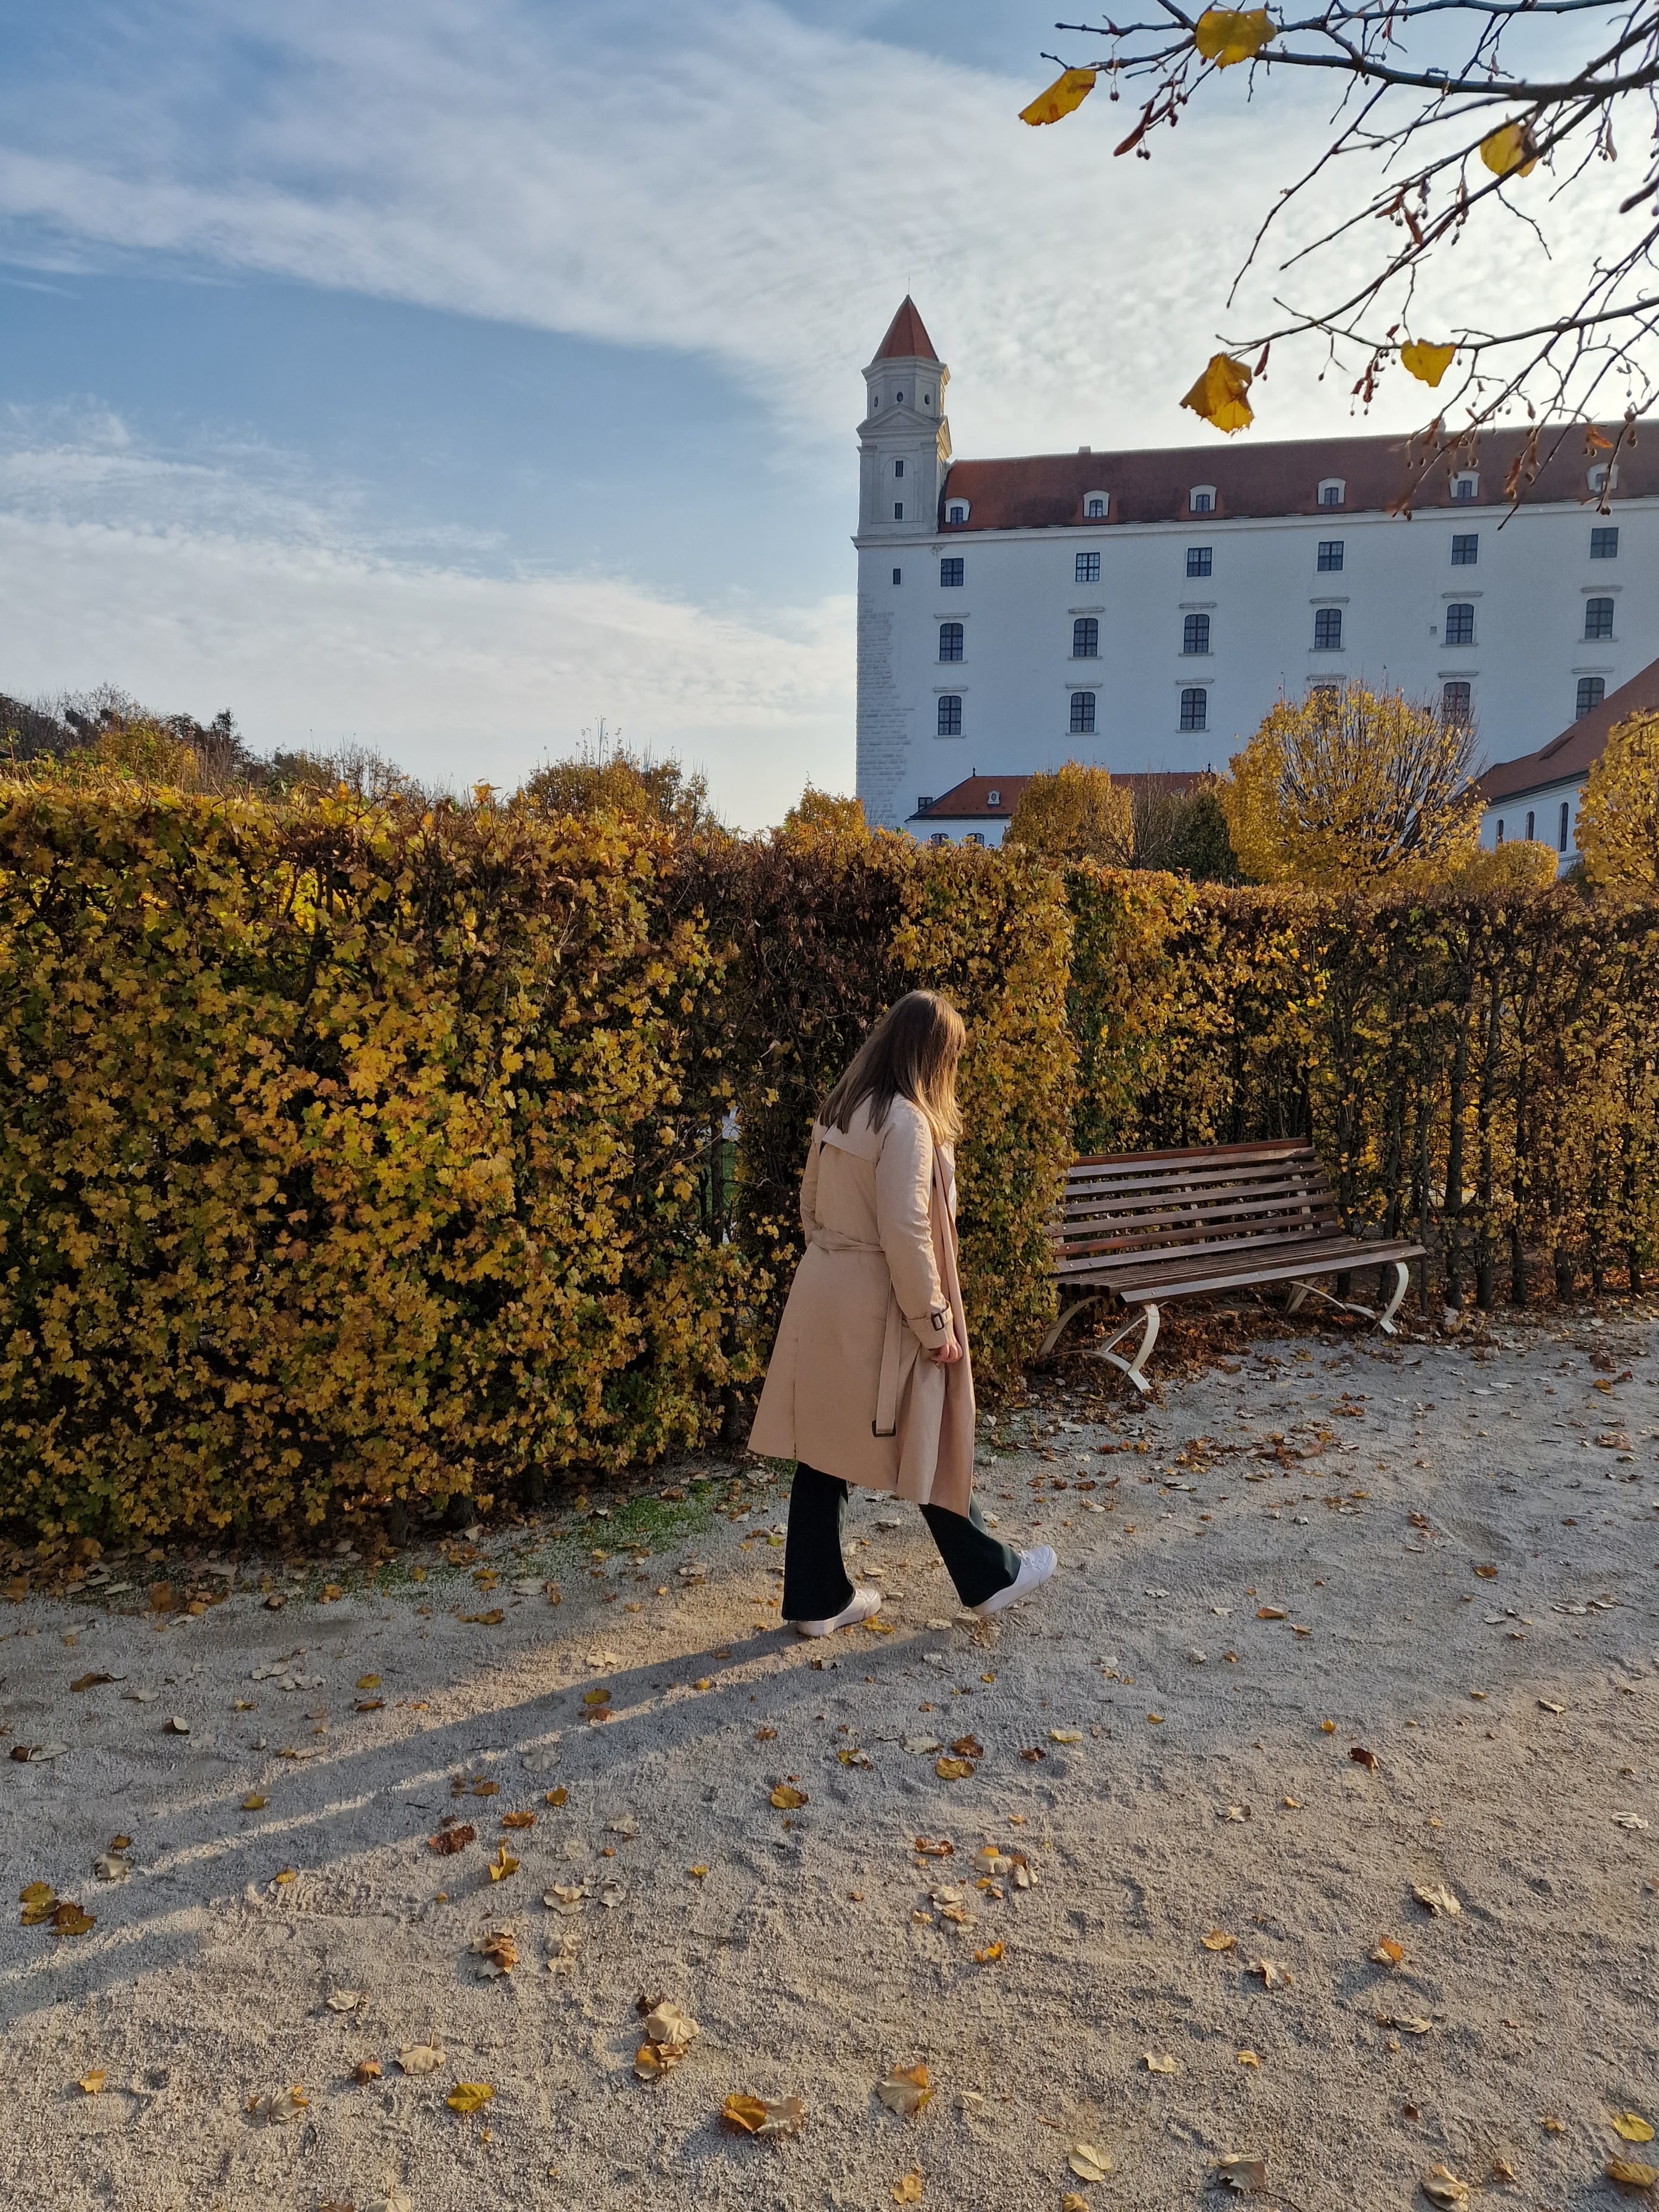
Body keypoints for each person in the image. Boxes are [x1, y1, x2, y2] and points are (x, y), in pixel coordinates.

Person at [748, 989, 1057, 1635]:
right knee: (928, 1436)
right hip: (882, 1305)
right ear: (935, 1056)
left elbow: (809, 1204)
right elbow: (906, 1229)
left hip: (823, 1290)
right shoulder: (908, 1121)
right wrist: (934, 1322)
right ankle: (990, 1576)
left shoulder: (841, 1108)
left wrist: (836, 1261)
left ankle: (816, 1599)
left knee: (821, 1446)